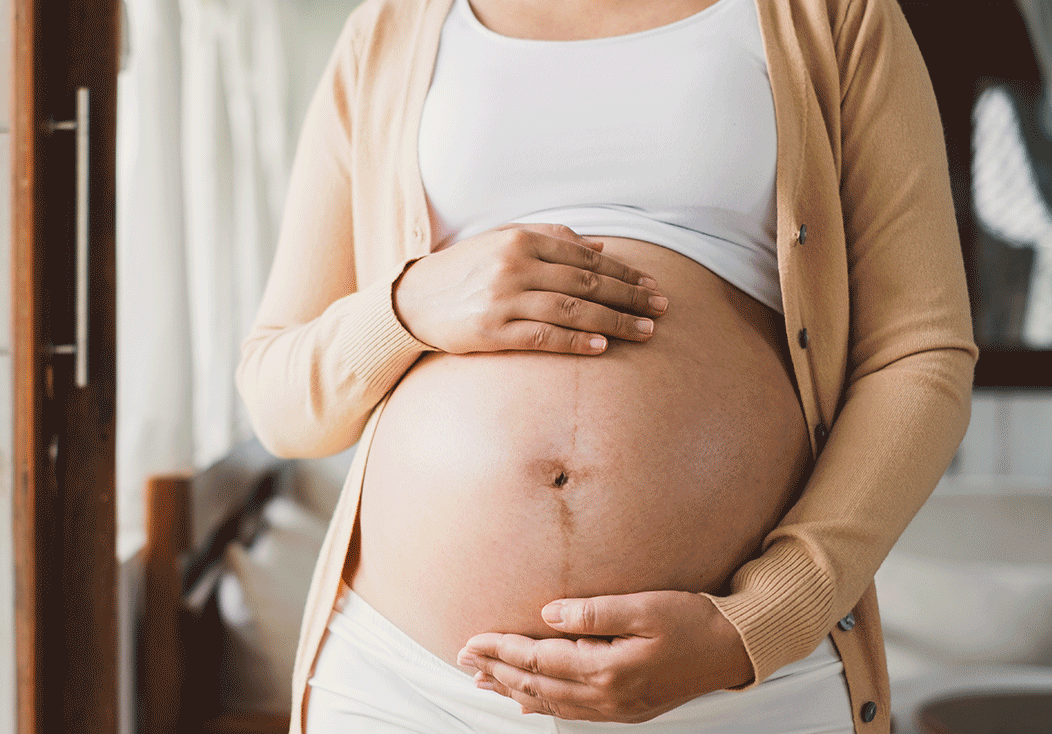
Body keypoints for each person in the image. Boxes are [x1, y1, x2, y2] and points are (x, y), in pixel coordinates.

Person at [235, 0, 978, 731]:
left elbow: (920, 353)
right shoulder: (391, 29)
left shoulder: (833, 14)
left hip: (740, 685)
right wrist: (407, 307)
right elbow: (277, 398)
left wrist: (755, 623)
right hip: (408, 686)